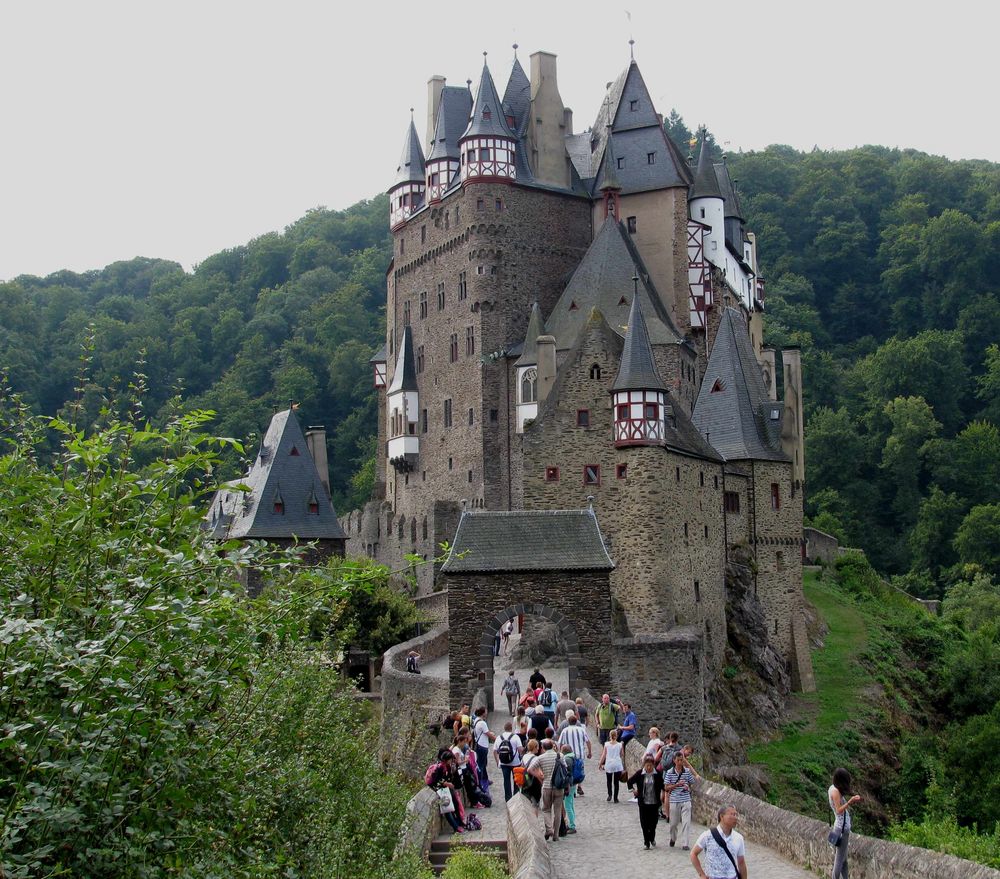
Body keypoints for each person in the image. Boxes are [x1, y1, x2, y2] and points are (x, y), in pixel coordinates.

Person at [691, 805, 746, 879]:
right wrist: (702, 875)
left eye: (736, 815)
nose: (735, 818)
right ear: (722, 816)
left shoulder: (739, 838)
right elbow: (693, 854)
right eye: (732, 814)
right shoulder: (707, 835)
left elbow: (741, 862)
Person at [829, 768, 862, 879]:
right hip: (842, 829)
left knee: (843, 859)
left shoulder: (832, 788)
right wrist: (850, 801)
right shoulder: (836, 792)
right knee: (839, 861)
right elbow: (839, 810)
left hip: (839, 827)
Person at [665, 748, 700, 849]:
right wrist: (676, 785)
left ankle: (685, 843)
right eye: (678, 760)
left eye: (682, 760)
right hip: (674, 799)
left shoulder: (687, 772)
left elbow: (692, 782)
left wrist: (688, 786)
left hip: (685, 799)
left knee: (686, 822)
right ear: (674, 760)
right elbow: (666, 787)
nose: (680, 762)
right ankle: (673, 838)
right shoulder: (670, 772)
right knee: (674, 823)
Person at [628, 754, 664, 849]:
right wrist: (633, 790)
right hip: (643, 803)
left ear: (653, 765)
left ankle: (652, 838)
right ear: (644, 765)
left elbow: (663, 785)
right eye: (647, 765)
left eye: (650, 765)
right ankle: (646, 842)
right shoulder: (640, 774)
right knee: (644, 823)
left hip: (654, 803)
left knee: (653, 823)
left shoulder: (657, 774)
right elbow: (629, 781)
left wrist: (669, 789)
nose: (648, 767)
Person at [426, 750, 465, 834]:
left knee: (455, 803)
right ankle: (455, 826)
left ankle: (459, 822)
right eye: (450, 759)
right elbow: (436, 780)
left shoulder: (447, 766)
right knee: (447, 808)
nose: (451, 761)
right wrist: (446, 783)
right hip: (440, 790)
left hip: (446, 789)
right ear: (446, 760)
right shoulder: (440, 767)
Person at [536, 739, 567, 841]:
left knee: (546, 809)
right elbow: (565, 770)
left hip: (547, 786)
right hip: (558, 787)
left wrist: (541, 777)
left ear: (543, 748)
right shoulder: (560, 756)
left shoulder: (540, 758)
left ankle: (549, 829)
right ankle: (556, 835)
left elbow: (530, 769)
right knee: (558, 810)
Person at [493, 720, 523, 802]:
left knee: (506, 781)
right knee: (516, 780)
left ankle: (508, 799)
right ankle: (516, 797)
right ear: (511, 728)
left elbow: (495, 751)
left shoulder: (499, 737)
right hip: (515, 762)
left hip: (503, 763)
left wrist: (497, 761)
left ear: (504, 728)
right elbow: (520, 749)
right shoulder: (516, 737)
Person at [598, 728, 624, 802]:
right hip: (617, 764)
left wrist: (600, 763)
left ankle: (609, 795)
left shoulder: (606, 744)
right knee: (616, 782)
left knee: (609, 781)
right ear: (616, 736)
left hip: (609, 764)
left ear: (610, 736)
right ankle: (615, 798)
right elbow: (622, 755)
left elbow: (603, 755)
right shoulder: (619, 745)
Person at [472, 706, 495, 787]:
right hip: (483, 745)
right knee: (481, 765)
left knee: (483, 763)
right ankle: (480, 782)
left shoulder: (476, 720)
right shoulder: (482, 723)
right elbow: (488, 734)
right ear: (482, 713)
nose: (486, 712)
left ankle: (485, 779)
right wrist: (497, 739)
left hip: (479, 744)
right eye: (485, 711)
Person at [560, 743, 579, 834]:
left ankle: (572, 825)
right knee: (570, 803)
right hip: (574, 783)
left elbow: (567, 773)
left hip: (569, 784)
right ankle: (572, 823)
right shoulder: (573, 756)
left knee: (567, 805)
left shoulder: (567, 759)